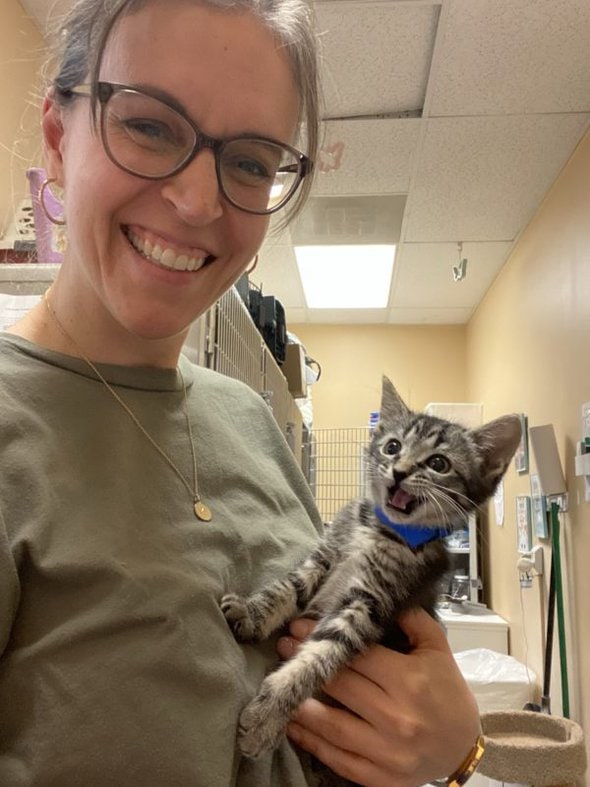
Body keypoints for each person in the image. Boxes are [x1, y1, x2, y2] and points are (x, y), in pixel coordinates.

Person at [0, 0, 482, 784]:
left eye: (252, 161)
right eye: (150, 125)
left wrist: (456, 749)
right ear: (59, 140)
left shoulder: (250, 417)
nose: (197, 202)